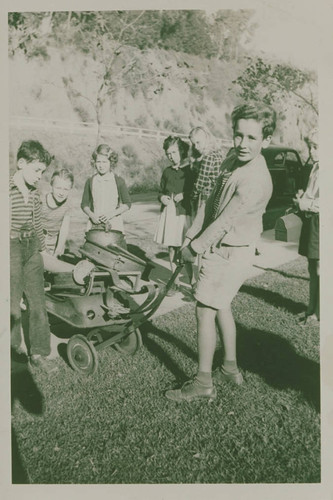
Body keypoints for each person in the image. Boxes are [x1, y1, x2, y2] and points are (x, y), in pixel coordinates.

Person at [165, 103, 276, 402]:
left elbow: (225, 222)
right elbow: (210, 200)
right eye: (238, 135)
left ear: (266, 139)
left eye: (252, 138)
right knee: (221, 305)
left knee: (204, 309)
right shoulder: (231, 159)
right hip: (219, 248)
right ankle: (229, 368)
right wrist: (190, 235)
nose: (242, 144)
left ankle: (203, 383)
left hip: (231, 252)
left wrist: (193, 249)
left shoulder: (254, 179)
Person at [10, 140, 57, 372]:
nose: (40, 176)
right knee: (12, 305)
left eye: (43, 172)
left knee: (38, 303)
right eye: (37, 170)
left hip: (32, 249)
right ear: (21, 163)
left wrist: (42, 249)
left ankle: (39, 353)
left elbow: (38, 223)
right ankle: (13, 350)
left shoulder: (35, 193)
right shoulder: (6, 190)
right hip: (11, 247)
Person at [154, 136, 195, 295]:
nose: (171, 156)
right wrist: (162, 198)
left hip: (183, 214)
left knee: (185, 248)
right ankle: (175, 282)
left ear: (182, 151)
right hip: (169, 213)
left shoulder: (190, 170)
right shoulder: (167, 172)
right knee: (172, 247)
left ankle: (193, 282)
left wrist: (184, 195)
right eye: (168, 153)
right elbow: (161, 191)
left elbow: (194, 191)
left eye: (174, 152)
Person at [81, 144, 131, 246]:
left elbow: (127, 204)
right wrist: (92, 215)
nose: (101, 165)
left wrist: (110, 214)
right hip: (95, 223)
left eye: (105, 162)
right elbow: (84, 204)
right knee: (93, 249)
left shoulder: (118, 181)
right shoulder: (90, 181)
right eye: (98, 162)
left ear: (111, 162)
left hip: (114, 222)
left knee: (115, 250)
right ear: (94, 163)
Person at [294, 128, 319, 326]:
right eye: (310, 147)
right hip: (311, 220)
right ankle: (311, 307)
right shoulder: (314, 168)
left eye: (316, 147)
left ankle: (319, 313)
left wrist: (305, 204)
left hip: (321, 221)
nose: (312, 151)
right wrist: (302, 197)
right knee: (312, 266)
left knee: (321, 268)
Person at [189, 126, 224, 215]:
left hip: (206, 197)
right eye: (193, 144)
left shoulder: (208, 157)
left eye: (198, 142)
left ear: (206, 139)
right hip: (217, 196)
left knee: (200, 224)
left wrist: (192, 197)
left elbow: (200, 182)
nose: (196, 147)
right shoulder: (218, 154)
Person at [41, 168, 74, 256]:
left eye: (66, 189)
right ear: (51, 185)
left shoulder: (67, 205)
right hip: (37, 239)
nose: (61, 193)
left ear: (70, 189)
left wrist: (58, 250)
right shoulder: (42, 200)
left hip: (54, 242)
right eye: (58, 188)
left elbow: (64, 229)